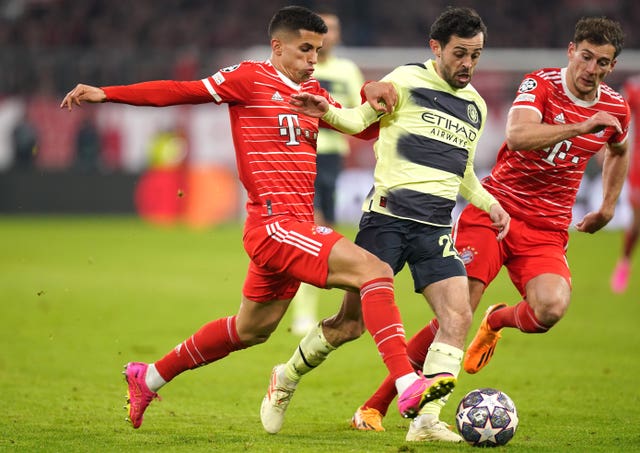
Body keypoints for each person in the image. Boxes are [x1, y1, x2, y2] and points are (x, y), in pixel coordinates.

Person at [60, 5, 445, 430]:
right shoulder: (248, 78)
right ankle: (406, 380)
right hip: (275, 224)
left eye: (317, 50)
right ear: (277, 47)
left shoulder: (314, 90)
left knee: (251, 329)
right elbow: (179, 90)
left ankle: (148, 376)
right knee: (374, 271)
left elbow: (362, 130)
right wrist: (107, 92)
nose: (313, 59)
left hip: (293, 226)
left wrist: (372, 93)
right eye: (304, 49)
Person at [332, 15, 630, 434]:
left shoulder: (615, 106)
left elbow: (618, 148)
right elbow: (520, 134)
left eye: (602, 63)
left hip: (547, 228)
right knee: (456, 313)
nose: (591, 69)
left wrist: (610, 205)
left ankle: (498, 321)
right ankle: (376, 405)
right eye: (586, 57)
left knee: (550, 309)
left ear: (612, 66)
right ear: (571, 52)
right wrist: (581, 126)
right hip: (495, 212)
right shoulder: (540, 84)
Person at [259, 7, 510, 442]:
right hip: (387, 222)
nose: (468, 64)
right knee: (349, 325)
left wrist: (490, 203)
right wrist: (327, 110)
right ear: (437, 48)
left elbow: (462, 171)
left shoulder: (476, 107)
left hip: (434, 228)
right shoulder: (407, 80)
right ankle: (286, 377)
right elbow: (358, 120)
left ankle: (426, 422)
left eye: (476, 55)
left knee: (457, 315)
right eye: (460, 54)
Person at [290, 11, 365, 336]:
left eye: (333, 28)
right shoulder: (298, 67)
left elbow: (362, 111)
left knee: (323, 236)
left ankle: (314, 311)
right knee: (312, 230)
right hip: (302, 154)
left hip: (333, 158)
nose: (328, 34)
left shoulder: (348, 70)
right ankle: (303, 314)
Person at [610, 74, 640, 293]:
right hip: (638, 163)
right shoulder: (634, 88)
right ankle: (625, 262)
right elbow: (617, 113)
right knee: (637, 219)